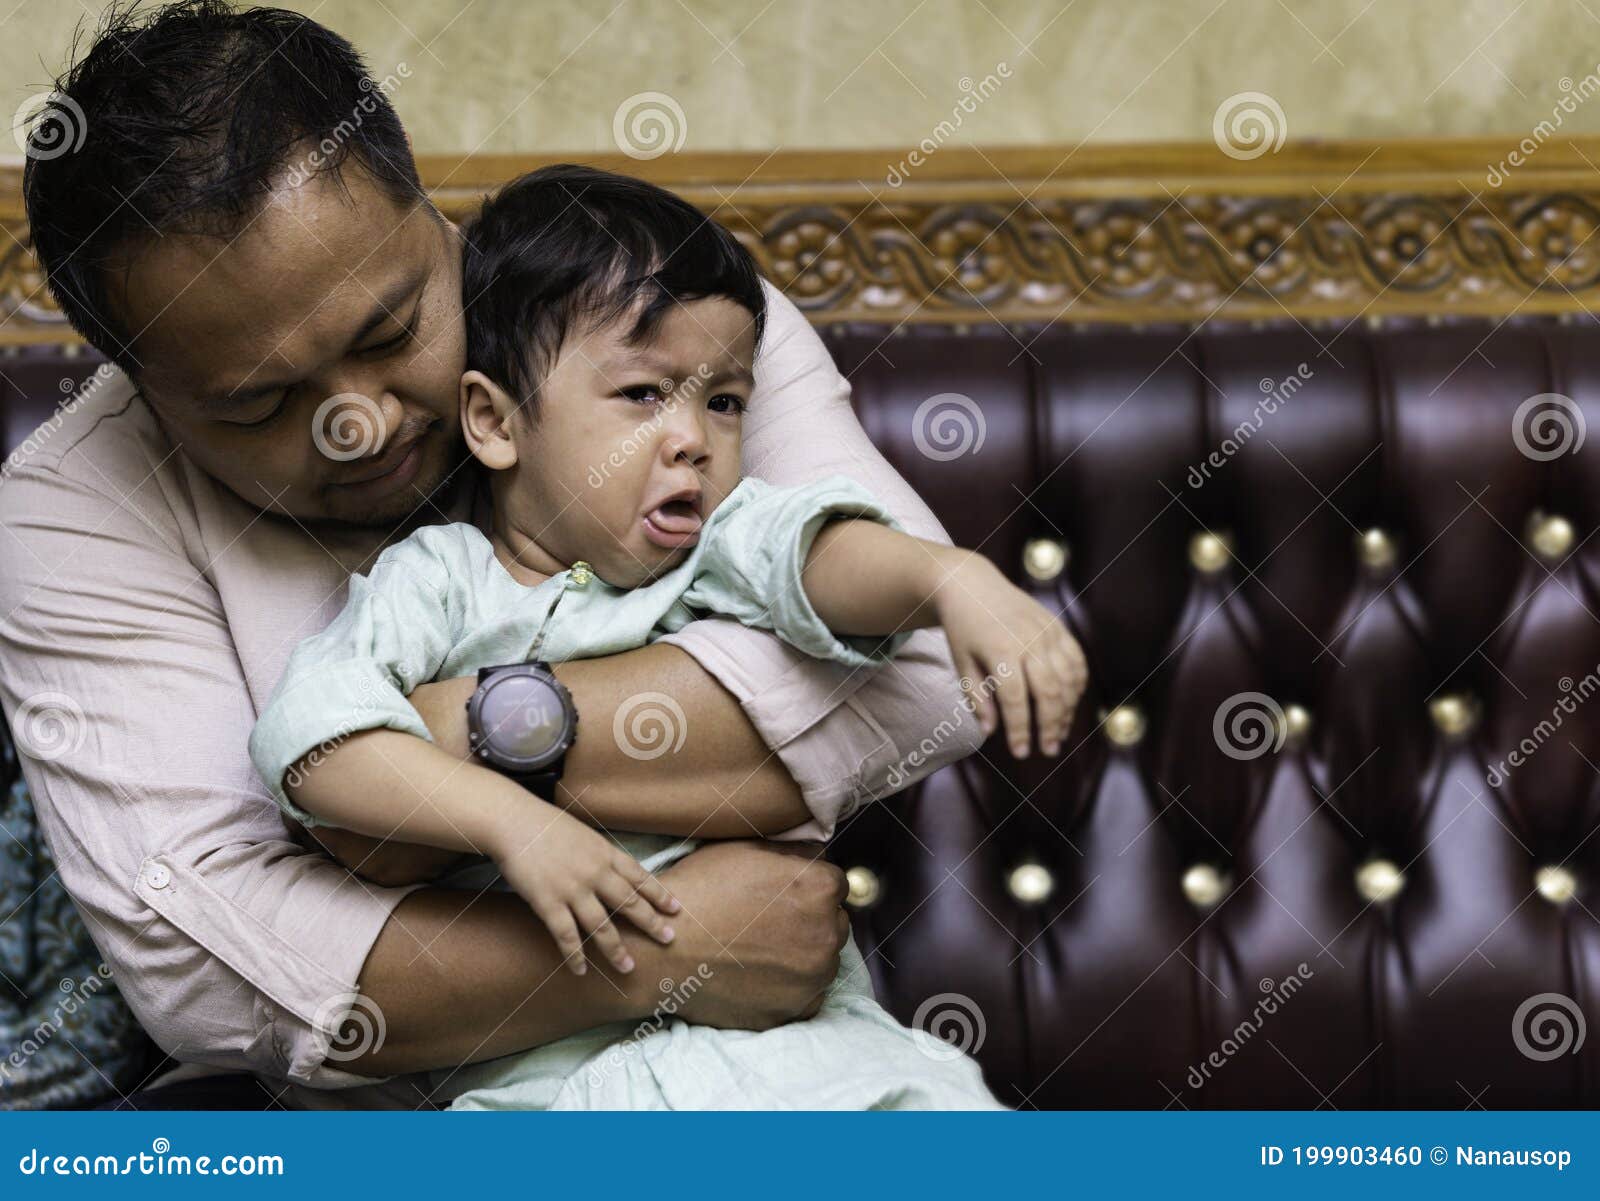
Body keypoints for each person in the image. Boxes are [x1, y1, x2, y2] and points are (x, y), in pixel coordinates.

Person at [2, 2, 1084, 1105]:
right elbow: (204, 966)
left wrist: (443, 744)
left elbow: (926, 679)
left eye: (388, 334)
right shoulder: (69, 506)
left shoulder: (654, 319)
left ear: (434, 221)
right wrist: (676, 952)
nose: (357, 424)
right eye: (259, 405)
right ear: (146, 390)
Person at [248, 166, 1082, 1108]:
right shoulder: (433, 584)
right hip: (543, 1088)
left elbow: (823, 559)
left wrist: (949, 579)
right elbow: (315, 744)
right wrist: (509, 821)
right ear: (493, 420)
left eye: (724, 401)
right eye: (644, 393)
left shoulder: (722, 543)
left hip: (799, 1069)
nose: (692, 437)